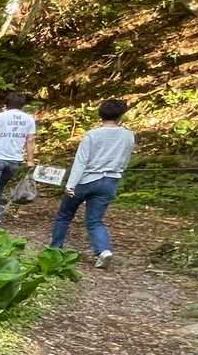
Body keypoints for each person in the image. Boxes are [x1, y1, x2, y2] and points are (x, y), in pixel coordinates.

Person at [50, 99, 136, 269]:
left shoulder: (93, 135)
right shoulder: (128, 135)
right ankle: (103, 251)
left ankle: (55, 249)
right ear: (120, 116)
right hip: (110, 181)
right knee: (95, 221)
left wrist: (70, 185)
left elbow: (81, 161)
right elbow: (125, 159)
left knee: (64, 215)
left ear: (101, 114)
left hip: (86, 180)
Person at [0, 92, 37, 226]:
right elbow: (30, 140)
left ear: (6, 104)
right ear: (22, 105)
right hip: (15, 160)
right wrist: (30, 160)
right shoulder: (29, 119)